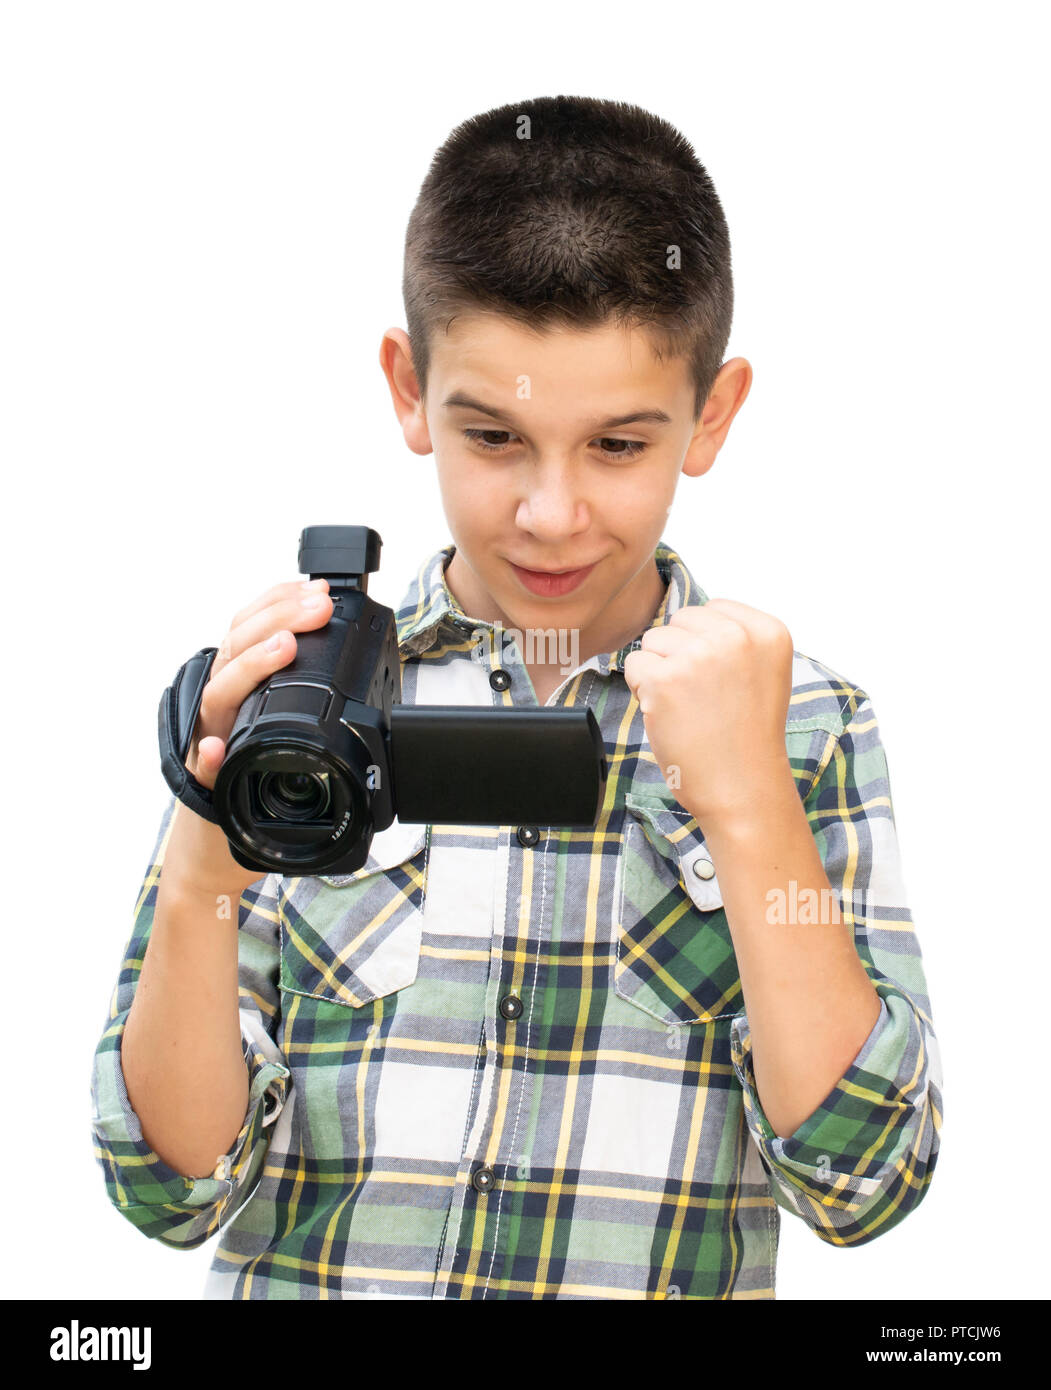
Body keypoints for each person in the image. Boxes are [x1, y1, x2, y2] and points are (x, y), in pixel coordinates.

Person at [90, 94, 942, 1300]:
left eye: (616, 446)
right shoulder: (295, 697)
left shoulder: (805, 723)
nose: (551, 513)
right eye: (492, 437)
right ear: (407, 388)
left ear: (712, 414)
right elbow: (165, 1187)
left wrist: (752, 811)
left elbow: (866, 1184)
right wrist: (204, 852)